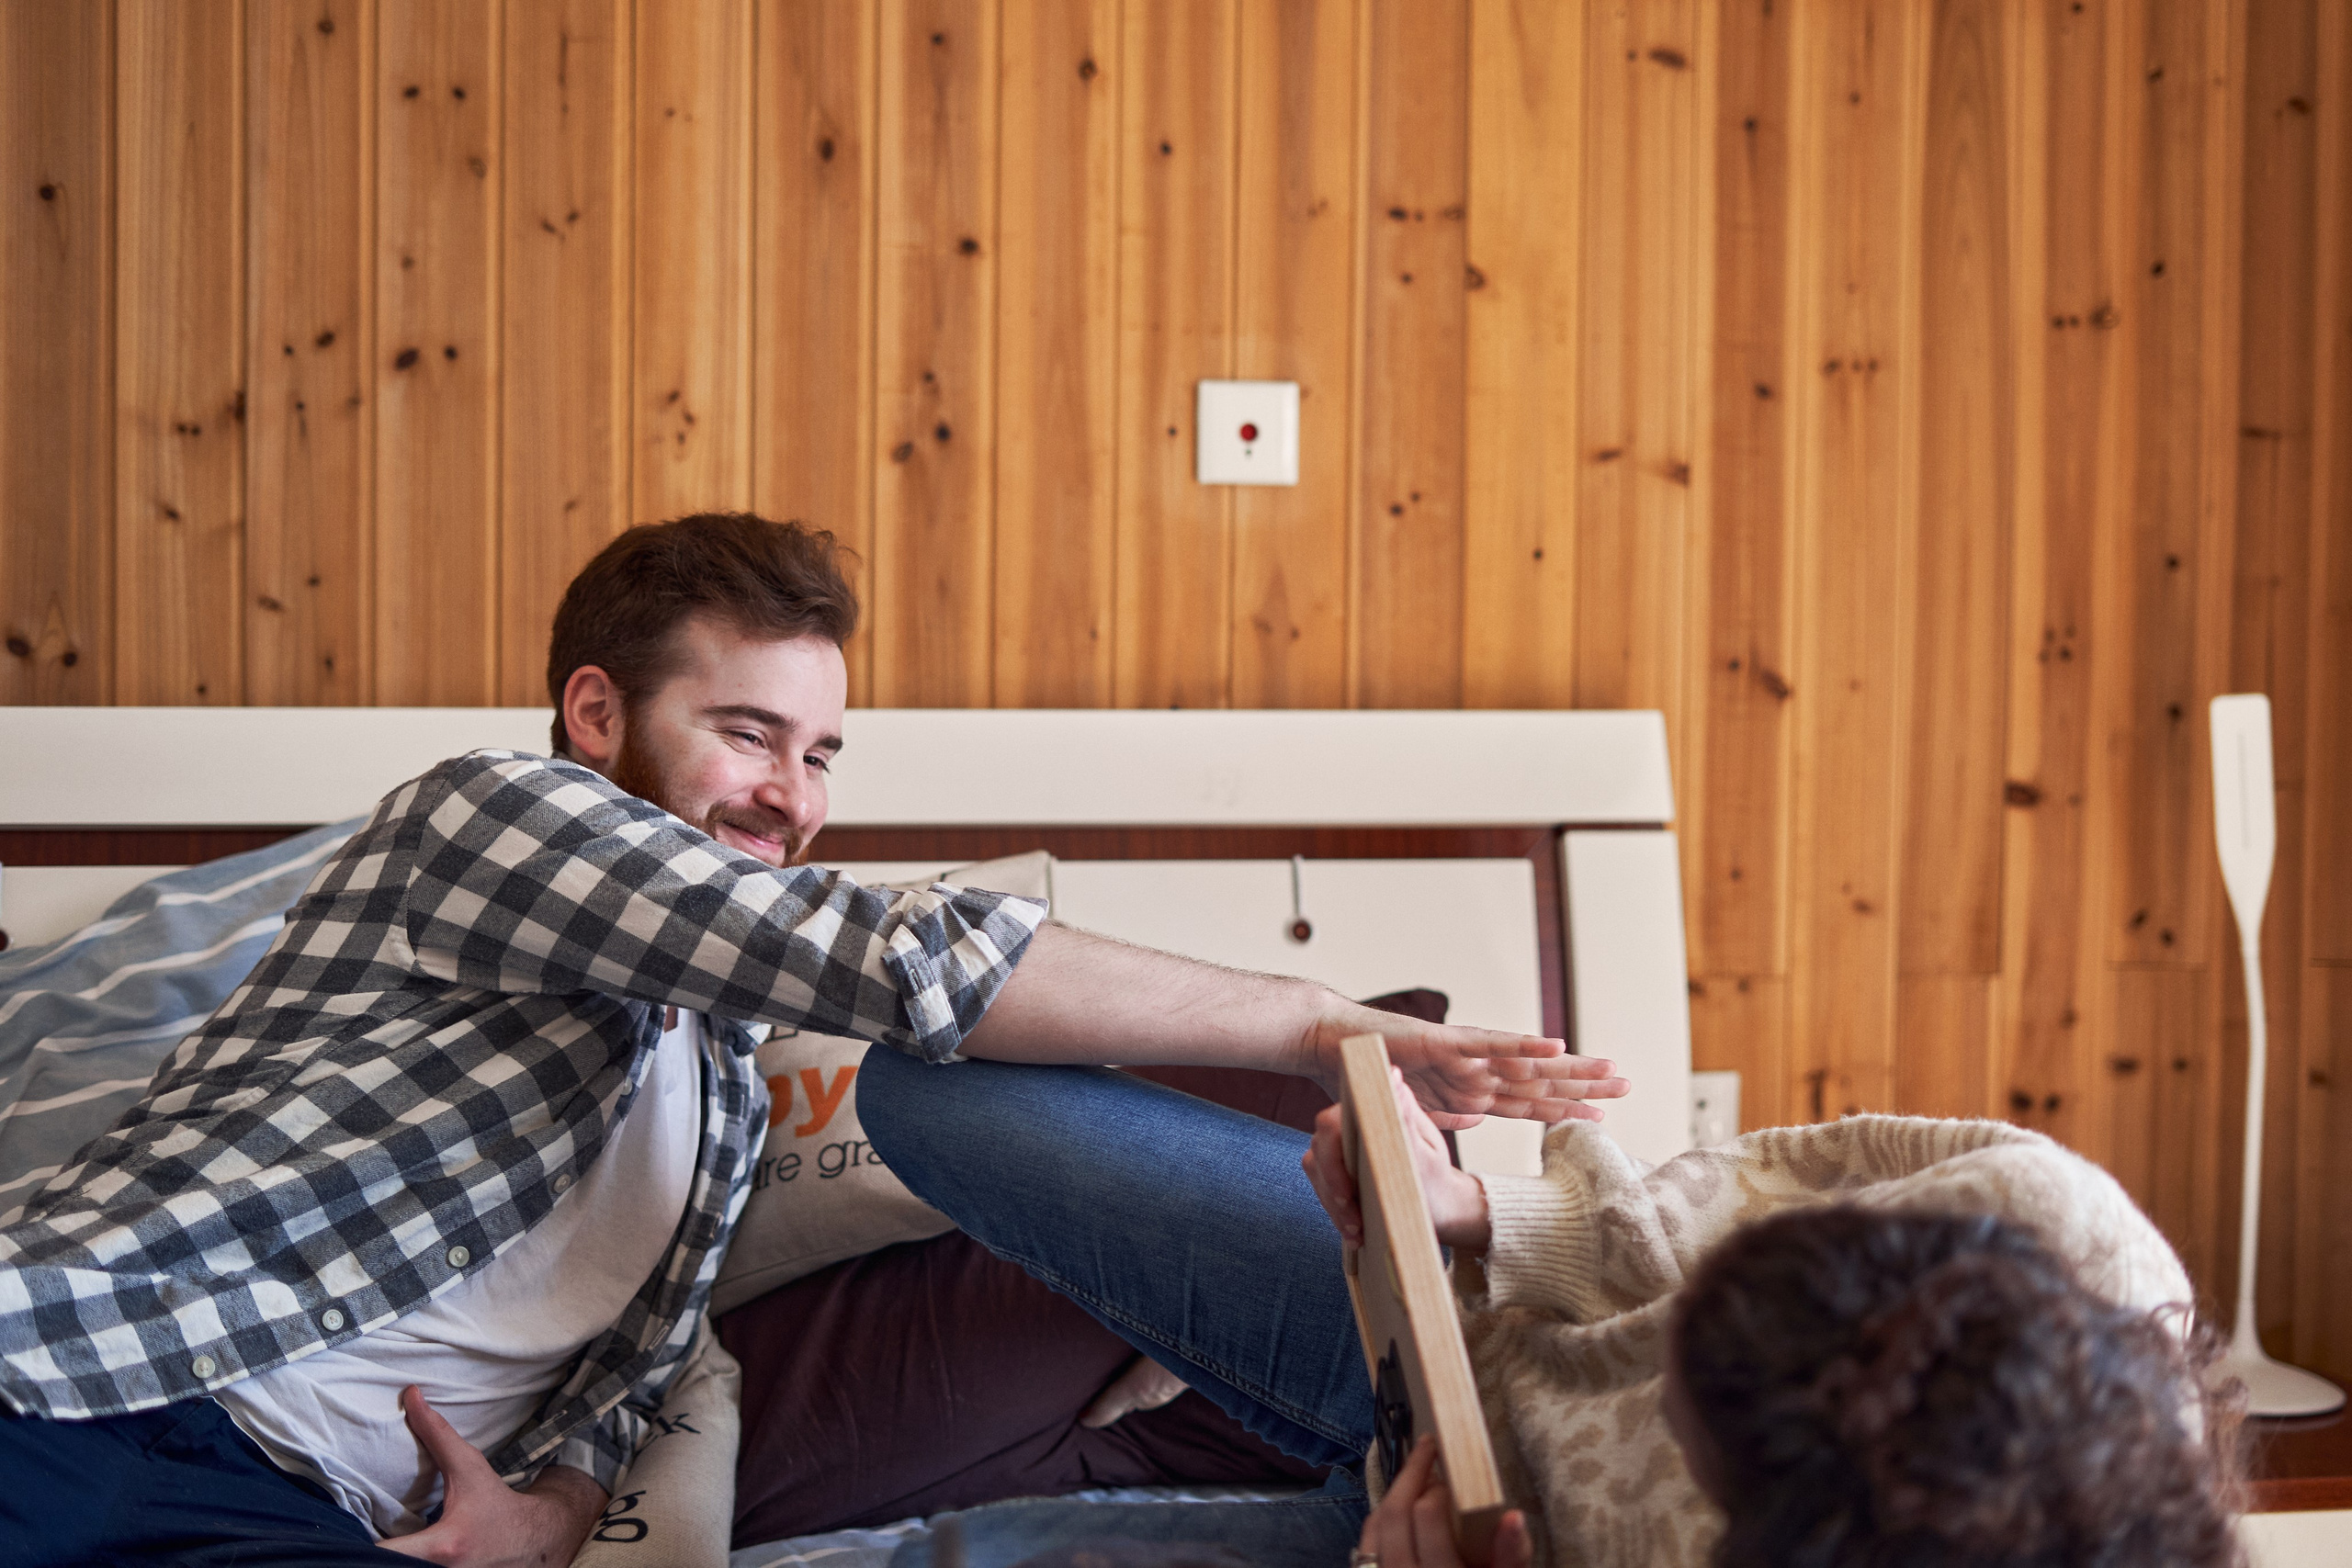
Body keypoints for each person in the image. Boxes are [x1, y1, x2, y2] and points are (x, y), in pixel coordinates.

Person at [0, 514, 1629, 1568]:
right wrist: (1315, 1025)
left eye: (826, 749)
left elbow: (627, 1370)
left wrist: (558, 1514)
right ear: (595, 717)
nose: (795, 795)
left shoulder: (715, 1084)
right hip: (86, 1385)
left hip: (308, 1524)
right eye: (748, 734)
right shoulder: (485, 818)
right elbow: (876, 948)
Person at [857, 1055, 2245, 1568]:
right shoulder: (2053, 1216)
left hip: (1457, 1545)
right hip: (1447, 1330)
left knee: (953, 1559)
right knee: (931, 1091)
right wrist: (1487, 1219)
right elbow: (1765, 1180)